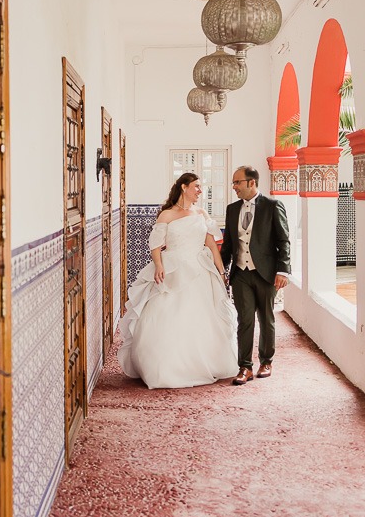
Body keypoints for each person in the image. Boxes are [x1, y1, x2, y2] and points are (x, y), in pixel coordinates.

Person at [117, 173, 238, 389]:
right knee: (166, 313)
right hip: (174, 268)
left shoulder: (201, 213)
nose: (200, 190)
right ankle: (166, 367)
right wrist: (159, 266)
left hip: (200, 270)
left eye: (200, 187)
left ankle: (201, 363)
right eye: (197, 186)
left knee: (202, 316)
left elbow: (212, 246)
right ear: (184, 187)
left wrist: (221, 273)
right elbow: (155, 245)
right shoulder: (167, 215)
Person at [220, 165, 292, 385]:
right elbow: (229, 244)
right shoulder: (232, 209)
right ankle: (245, 367)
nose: (234, 187)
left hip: (266, 273)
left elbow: (283, 241)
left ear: (251, 182)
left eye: (237, 182)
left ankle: (266, 361)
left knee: (266, 318)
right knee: (245, 320)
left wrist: (283, 270)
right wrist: (220, 269)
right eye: (233, 183)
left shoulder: (272, 206)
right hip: (240, 274)